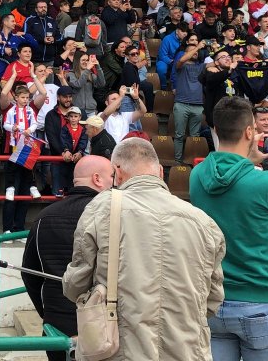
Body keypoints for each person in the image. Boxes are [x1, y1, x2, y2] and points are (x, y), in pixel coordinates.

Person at [63, 138, 226, 361]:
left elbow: (75, 285)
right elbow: (214, 298)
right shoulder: (203, 222)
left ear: (117, 172)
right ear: (160, 172)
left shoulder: (101, 208)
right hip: (188, 352)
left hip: (121, 352)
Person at [190, 96, 268, 361]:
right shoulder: (264, 182)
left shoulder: (197, 175)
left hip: (214, 299)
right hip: (259, 300)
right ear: (249, 132)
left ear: (216, 129)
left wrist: (247, 158)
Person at [22, 155, 114, 361]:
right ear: (97, 179)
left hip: (57, 326)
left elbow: (30, 275)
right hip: (105, 327)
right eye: (112, 177)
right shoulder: (114, 217)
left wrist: (48, 313)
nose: (115, 184)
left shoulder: (43, 217)